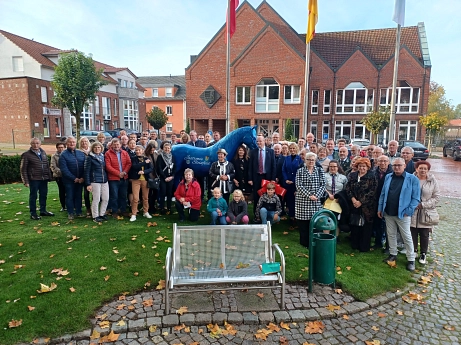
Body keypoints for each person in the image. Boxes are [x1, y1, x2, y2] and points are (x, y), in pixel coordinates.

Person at [378, 157, 421, 271]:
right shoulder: (388, 177)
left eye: (399, 165)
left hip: (403, 213)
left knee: (406, 236)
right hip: (388, 211)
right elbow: (383, 194)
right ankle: (393, 254)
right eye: (394, 165)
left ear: (404, 166)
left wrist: (409, 210)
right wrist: (380, 208)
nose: (396, 167)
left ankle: (411, 259)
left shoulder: (412, 179)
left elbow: (416, 198)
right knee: (391, 234)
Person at [345, 157, 378, 252]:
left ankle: (364, 247)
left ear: (367, 167)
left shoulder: (372, 176)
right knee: (355, 224)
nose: (362, 168)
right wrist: (353, 200)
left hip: (367, 206)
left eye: (364, 166)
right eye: (360, 166)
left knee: (366, 226)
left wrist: (361, 202)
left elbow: (373, 191)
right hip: (354, 204)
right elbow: (348, 188)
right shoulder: (352, 175)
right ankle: (354, 244)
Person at [410, 161, 440, 265]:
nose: (423, 170)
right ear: (416, 169)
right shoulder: (411, 178)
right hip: (413, 210)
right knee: (412, 231)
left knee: (424, 234)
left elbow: (436, 197)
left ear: (428, 170)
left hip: (426, 211)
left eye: (425, 169)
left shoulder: (432, 181)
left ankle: (423, 253)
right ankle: (413, 251)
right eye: (420, 168)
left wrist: (423, 204)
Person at [295, 152, 326, 247]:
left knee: (315, 222)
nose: (311, 161)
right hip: (303, 201)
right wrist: (309, 195)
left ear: (315, 160)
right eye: (309, 159)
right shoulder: (300, 171)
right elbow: (298, 185)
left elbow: (323, 185)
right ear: (305, 160)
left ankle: (314, 241)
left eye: (313, 160)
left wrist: (316, 195)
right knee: (303, 224)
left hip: (315, 201)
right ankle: (304, 243)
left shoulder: (320, 170)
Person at [20, 137, 54, 220]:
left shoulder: (43, 152)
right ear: (31, 144)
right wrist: (25, 181)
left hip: (44, 179)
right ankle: (33, 213)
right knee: (33, 196)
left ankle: (43, 211)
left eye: (37, 143)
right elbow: (23, 169)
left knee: (43, 195)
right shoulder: (26, 154)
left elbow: (46, 165)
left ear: (40, 144)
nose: (35, 145)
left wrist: (49, 177)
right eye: (33, 143)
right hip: (34, 179)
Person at [248, 135, 276, 214]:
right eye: (257, 141)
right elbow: (250, 166)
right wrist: (250, 179)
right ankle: (256, 214)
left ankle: (266, 213)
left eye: (260, 141)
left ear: (264, 141)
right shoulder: (253, 152)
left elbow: (273, 166)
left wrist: (273, 179)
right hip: (256, 177)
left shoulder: (270, 151)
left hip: (267, 177)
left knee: (267, 195)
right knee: (256, 196)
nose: (259, 143)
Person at [59, 136, 86, 220]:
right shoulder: (63, 155)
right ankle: (70, 213)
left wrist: (82, 177)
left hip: (80, 180)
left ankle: (79, 211)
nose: (72, 143)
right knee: (70, 196)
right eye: (70, 142)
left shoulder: (81, 153)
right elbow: (64, 169)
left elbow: (85, 166)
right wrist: (74, 178)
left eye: (73, 142)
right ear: (66, 144)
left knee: (78, 196)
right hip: (69, 180)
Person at [105, 138, 132, 219]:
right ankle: (115, 211)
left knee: (123, 195)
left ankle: (123, 210)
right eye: (115, 144)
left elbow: (129, 163)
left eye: (118, 144)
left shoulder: (124, 153)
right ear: (112, 145)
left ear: (120, 145)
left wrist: (124, 172)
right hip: (113, 178)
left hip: (124, 177)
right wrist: (118, 174)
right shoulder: (108, 153)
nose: (116, 146)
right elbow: (108, 166)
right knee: (114, 196)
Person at [84, 142, 109, 222]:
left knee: (105, 198)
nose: (97, 149)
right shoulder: (90, 158)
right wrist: (88, 184)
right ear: (92, 148)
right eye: (95, 147)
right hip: (95, 180)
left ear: (101, 148)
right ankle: (95, 216)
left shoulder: (102, 156)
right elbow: (86, 171)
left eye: (99, 147)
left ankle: (102, 214)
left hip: (104, 180)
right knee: (96, 199)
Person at [373, 155, 392, 249]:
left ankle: (389, 246)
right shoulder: (373, 172)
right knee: (377, 223)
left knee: (387, 224)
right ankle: (378, 242)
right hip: (375, 200)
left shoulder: (392, 173)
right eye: (380, 161)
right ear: (377, 162)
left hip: (387, 201)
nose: (382, 163)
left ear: (388, 162)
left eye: (385, 161)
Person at [128, 145, 153, 221]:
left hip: (144, 179)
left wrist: (144, 171)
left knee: (145, 197)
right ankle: (134, 214)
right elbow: (135, 166)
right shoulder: (133, 159)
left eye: (139, 150)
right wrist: (144, 163)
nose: (138, 151)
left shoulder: (146, 158)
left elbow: (151, 168)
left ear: (142, 151)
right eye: (136, 150)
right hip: (136, 180)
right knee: (135, 198)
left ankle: (146, 212)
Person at [325, 160, 348, 237]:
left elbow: (345, 190)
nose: (332, 168)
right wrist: (329, 194)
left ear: (338, 167)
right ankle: (326, 236)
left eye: (334, 166)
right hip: (327, 200)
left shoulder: (343, 177)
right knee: (326, 218)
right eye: (331, 166)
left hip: (338, 201)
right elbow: (321, 187)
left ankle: (336, 237)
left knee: (336, 219)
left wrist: (340, 197)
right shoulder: (324, 176)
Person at [282, 143, 302, 225]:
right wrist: (286, 179)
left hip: (295, 183)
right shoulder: (287, 158)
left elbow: (299, 171)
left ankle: (296, 217)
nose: (292, 150)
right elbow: (283, 169)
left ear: (296, 149)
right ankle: (290, 217)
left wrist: (293, 180)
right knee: (289, 200)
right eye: (291, 149)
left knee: (295, 200)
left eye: (294, 148)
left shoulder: (299, 158)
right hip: (287, 183)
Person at [156, 142, 176, 214]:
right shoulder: (160, 156)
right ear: (163, 149)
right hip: (163, 177)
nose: (167, 149)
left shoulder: (172, 157)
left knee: (169, 193)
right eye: (165, 148)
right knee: (163, 192)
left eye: (168, 148)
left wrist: (172, 176)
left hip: (170, 177)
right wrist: (164, 177)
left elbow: (174, 167)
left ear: (170, 149)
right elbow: (159, 168)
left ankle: (169, 207)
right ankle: (162, 208)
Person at [50, 142, 66, 212]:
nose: (61, 149)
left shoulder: (67, 154)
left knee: (68, 191)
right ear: (57, 148)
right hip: (59, 176)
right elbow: (53, 166)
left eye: (62, 147)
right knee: (62, 191)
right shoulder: (54, 156)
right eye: (59, 147)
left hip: (67, 177)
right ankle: (63, 206)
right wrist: (63, 172)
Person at [79, 136, 92, 218]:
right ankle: (88, 208)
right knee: (86, 193)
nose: (84, 143)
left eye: (86, 141)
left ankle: (94, 208)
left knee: (95, 193)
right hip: (83, 174)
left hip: (93, 175)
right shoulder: (78, 152)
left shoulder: (92, 150)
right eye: (82, 142)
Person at [145, 140, 159, 214]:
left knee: (155, 192)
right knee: (149, 193)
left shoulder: (156, 154)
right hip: (148, 176)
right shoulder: (145, 155)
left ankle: (153, 206)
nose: (152, 151)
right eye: (151, 150)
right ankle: (150, 207)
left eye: (153, 150)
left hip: (155, 176)